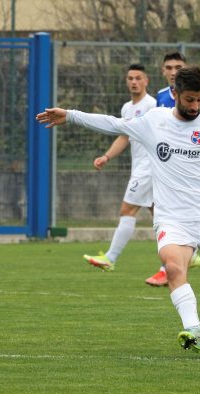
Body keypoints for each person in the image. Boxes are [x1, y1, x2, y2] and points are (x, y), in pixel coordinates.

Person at [36, 65, 200, 355]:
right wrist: (71, 115)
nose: (195, 106)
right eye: (189, 99)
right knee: (174, 267)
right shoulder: (154, 122)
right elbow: (114, 124)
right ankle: (195, 332)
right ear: (174, 93)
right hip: (173, 218)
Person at [143, 51, 200, 287]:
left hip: (194, 165)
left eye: (178, 67)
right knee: (158, 206)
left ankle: (175, 263)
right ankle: (177, 258)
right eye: (169, 67)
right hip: (164, 164)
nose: (173, 71)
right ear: (163, 71)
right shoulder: (159, 97)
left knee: (196, 212)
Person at [82, 64, 157, 272]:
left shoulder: (152, 105)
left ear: (146, 80)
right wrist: (107, 156)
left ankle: (110, 257)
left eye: (138, 78)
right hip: (142, 168)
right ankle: (189, 255)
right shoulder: (127, 108)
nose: (134, 82)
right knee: (161, 215)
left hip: (148, 168)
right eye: (130, 78)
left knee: (127, 209)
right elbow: (125, 136)